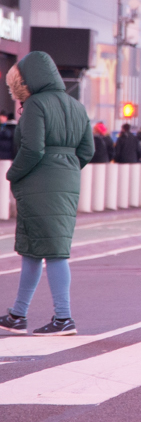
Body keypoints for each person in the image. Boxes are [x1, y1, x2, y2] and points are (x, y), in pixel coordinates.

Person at [0, 52, 94, 336]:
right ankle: (18, 313)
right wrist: (66, 168)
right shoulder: (77, 106)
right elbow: (87, 150)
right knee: (35, 248)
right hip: (66, 180)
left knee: (52, 251)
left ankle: (63, 318)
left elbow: (32, 150)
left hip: (39, 182)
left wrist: (12, 174)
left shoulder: (36, 105)